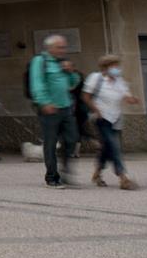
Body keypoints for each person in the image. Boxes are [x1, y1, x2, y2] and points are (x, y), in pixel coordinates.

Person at [29, 34, 81, 188]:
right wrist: (44, 102)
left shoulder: (62, 63)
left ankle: (65, 170)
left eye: (64, 47)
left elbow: (73, 83)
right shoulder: (40, 61)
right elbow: (37, 83)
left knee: (72, 139)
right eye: (60, 47)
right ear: (50, 47)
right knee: (50, 143)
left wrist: (71, 71)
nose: (63, 50)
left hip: (66, 108)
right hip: (49, 109)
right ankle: (52, 176)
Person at [83, 55, 140, 190]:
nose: (116, 68)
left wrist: (132, 99)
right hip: (102, 118)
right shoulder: (95, 78)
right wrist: (96, 110)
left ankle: (97, 173)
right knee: (114, 146)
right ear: (105, 67)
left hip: (116, 118)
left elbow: (126, 96)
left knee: (108, 148)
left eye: (117, 65)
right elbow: (85, 96)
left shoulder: (119, 81)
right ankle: (123, 178)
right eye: (113, 65)